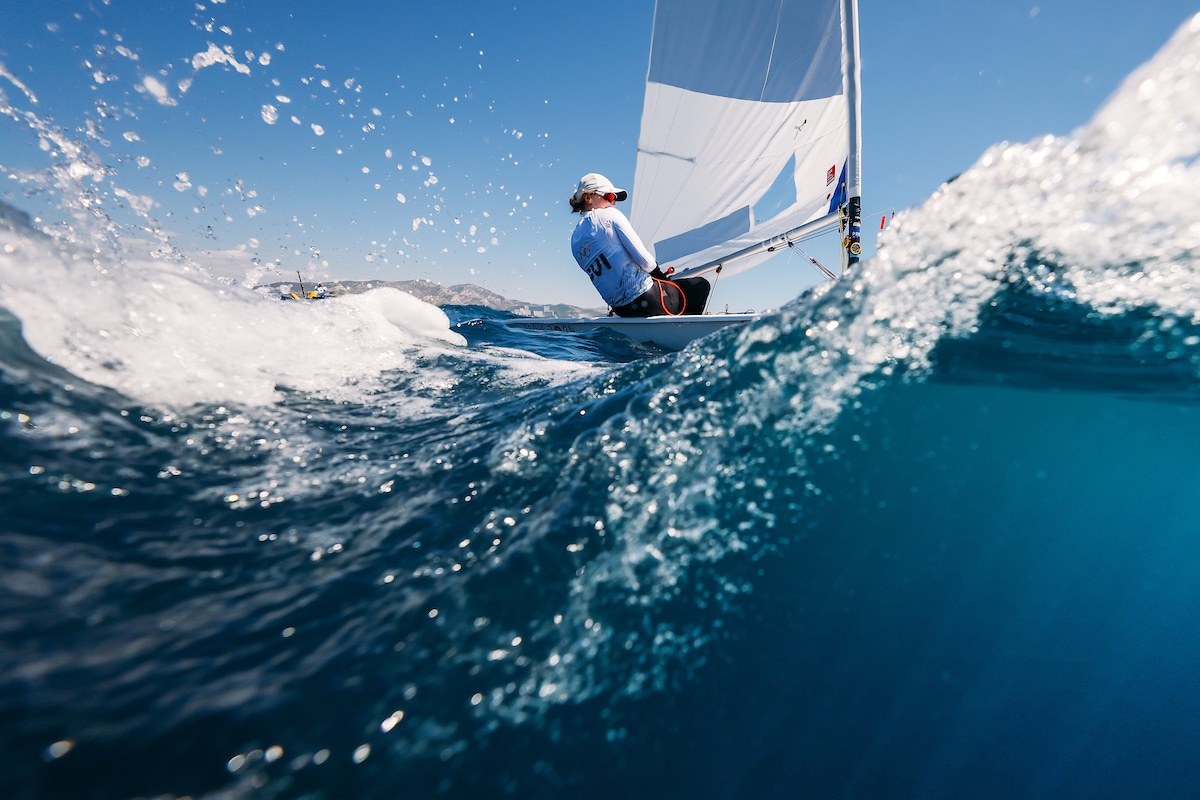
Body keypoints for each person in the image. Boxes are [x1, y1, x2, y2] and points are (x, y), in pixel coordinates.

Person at [569, 172, 709, 317]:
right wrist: (663, 278)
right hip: (648, 300)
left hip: (621, 310)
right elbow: (646, 261)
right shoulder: (609, 215)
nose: (613, 203)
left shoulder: (574, 240)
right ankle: (684, 333)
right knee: (700, 286)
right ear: (588, 198)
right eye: (609, 197)